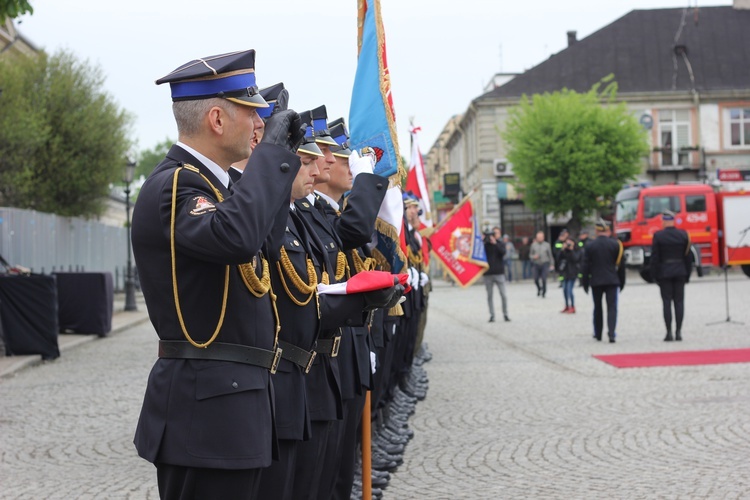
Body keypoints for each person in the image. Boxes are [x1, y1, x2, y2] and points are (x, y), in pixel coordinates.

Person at [131, 49, 306, 499]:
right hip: (206, 413)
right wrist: (269, 158)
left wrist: (277, 165)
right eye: (251, 113)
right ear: (216, 118)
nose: (259, 125)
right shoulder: (175, 184)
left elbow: (265, 241)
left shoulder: (221, 187)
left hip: (233, 406)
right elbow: (236, 239)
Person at [581, 218, 626, 343]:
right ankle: (611, 333)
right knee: (612, 307)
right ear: (608, 230)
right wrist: (622, 282)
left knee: (597, 307)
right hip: (612, 280)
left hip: (596, 280)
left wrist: (585, 282)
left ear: (596, 230)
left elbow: (585, 266)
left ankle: (598, 333)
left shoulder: (590, 245)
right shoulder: (616, 244)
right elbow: (621, 266)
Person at [650, 210, 692, 341]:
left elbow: (655, 258)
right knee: (679, 302)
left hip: (665, 272)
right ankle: (678, 332)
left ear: (664, 221)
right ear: (673, 221)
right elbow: (688, 257)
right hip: (680, 271)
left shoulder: (658, 236)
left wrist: (654, 275)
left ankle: (669, 332)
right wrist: (687, 274)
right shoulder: (683, 235)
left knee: (666, 303)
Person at [483, 229, 510, 322]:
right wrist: (482, 241)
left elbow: (503, 252)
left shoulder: (500, 243)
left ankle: (505, 314)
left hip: (499, 273)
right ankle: (492, 315)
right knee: (489, 296)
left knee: (503, 294)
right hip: (488, 274)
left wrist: (495, 243)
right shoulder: (484, 245)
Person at [557, 237, 581, 313]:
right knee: (564, 290)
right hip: (565, 272)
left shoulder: (577, 249)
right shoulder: (564, 251)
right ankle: (567, 305)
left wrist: (571, 250)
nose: (568, 244)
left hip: (572, 273)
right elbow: (558, 259)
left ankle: (573, 306)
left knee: (569, 290)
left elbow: (576, 259)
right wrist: (562, 250)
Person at [529, 231, 553, 298]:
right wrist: (533, 257)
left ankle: (544, 292)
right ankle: (539, 288)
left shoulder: (547, 245)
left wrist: (552, 264)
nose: (539, 238)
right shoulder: (533, 245)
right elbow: (530, 255)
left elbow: (550, 255)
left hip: (544, 263)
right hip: (536, 263)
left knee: (544, 278)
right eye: (538, 237)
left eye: (541, 237)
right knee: (536, 279)